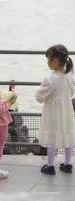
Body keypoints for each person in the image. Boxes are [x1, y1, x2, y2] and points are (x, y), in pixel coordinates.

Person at [35, 44, 75, 175]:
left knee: (52, 136)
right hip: (67, 112)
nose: (47, 63)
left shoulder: (50, 78)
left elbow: (40, 97)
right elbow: (71, 93)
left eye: (48, 60)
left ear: (56, 61)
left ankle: (50, 165)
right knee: (67, 135)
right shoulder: (70, 76)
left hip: (52, 113)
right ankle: (68, 164)